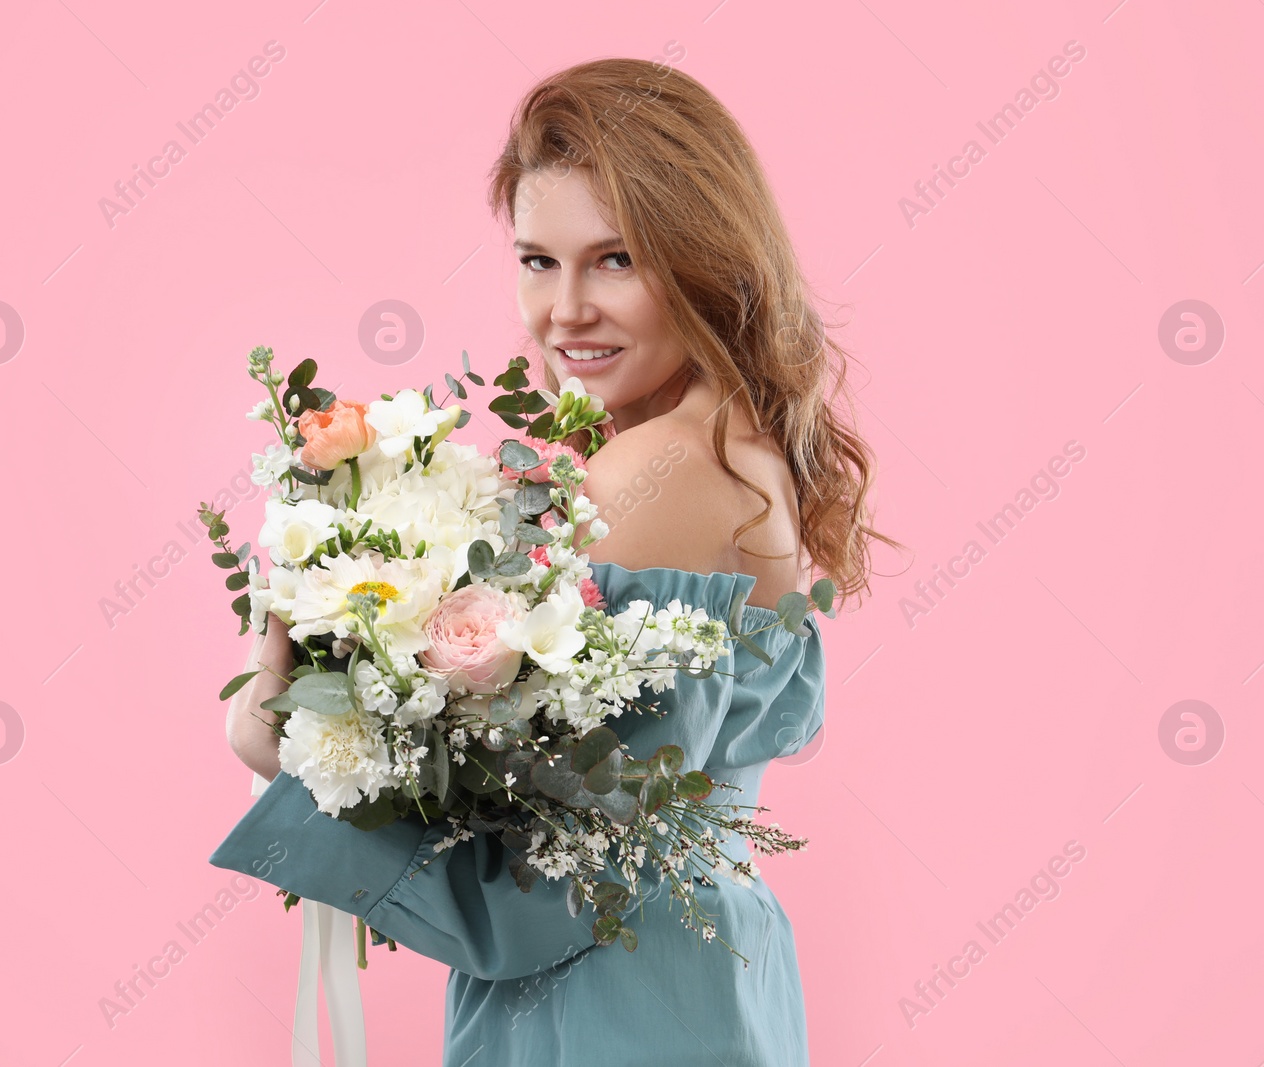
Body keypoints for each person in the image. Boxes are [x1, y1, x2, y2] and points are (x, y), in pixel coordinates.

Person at [214, 56, 897, 1065]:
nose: (565, 309)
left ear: (706, 257)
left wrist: (287, 744)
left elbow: (542, 897)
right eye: (538, 259)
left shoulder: (651, 474)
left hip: (613, 1017)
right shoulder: (732, 444)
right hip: (701, 990)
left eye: (615, 259)